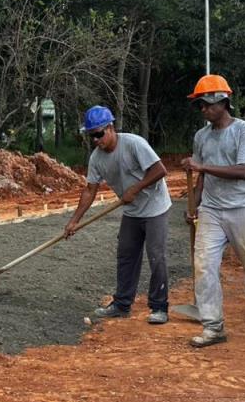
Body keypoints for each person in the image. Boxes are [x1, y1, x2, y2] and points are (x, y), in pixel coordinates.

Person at [180, 74, 245, 348]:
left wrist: (202, 168)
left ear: (222, 102)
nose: (203, 110)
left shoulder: (244, 131)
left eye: (206, 104)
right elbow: (201, 179)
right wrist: (194, 207)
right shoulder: (201, 136)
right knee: (204, 265)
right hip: (212, 209)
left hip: (244, 207)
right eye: (200, 105)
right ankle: (213, 326)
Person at [64, 105, 172, 324]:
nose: (96, 139)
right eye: (91, 136)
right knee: (126, 255)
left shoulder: (134, 144)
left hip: (156, 207)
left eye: (99, 134)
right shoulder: (96, 159)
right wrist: (74, 221)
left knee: (156, 255)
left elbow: (160, 170)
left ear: (110, 128)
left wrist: (136, 188)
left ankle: (159, 307)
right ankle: (122, 304)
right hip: (132, 211)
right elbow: (89, 190)